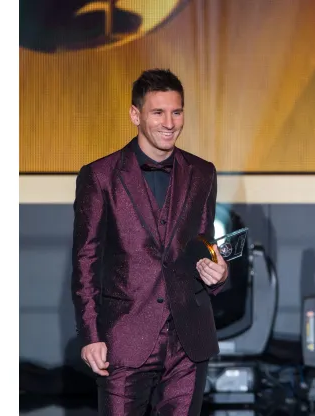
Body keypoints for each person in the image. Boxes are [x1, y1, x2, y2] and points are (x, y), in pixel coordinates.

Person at [71, 68, 229, 416]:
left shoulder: (203, 173)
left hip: (188, 339)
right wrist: (90, 334)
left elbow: (204, 245)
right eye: (158, 112)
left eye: (177, 111)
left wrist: (219, 272)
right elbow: (86, 260)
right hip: (124, 338)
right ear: (135, 115)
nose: (169, 122)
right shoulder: (100, 176)